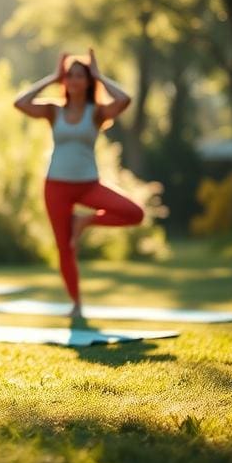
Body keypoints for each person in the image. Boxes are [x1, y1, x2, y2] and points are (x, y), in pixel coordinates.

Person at [14, 49, 144, 318]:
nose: (74, 80)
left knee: (134, 213)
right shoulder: (53, 111)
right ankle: (76, 303)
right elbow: (20, 102)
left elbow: (125, 99)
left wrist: (99, 75)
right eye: (70, 75)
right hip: (56, 187)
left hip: (88, 184)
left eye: (80, 76)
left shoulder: (96, 112)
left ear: (87, 81)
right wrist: (51, 78)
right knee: (65, 248)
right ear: (65, 80)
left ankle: (83, 221)